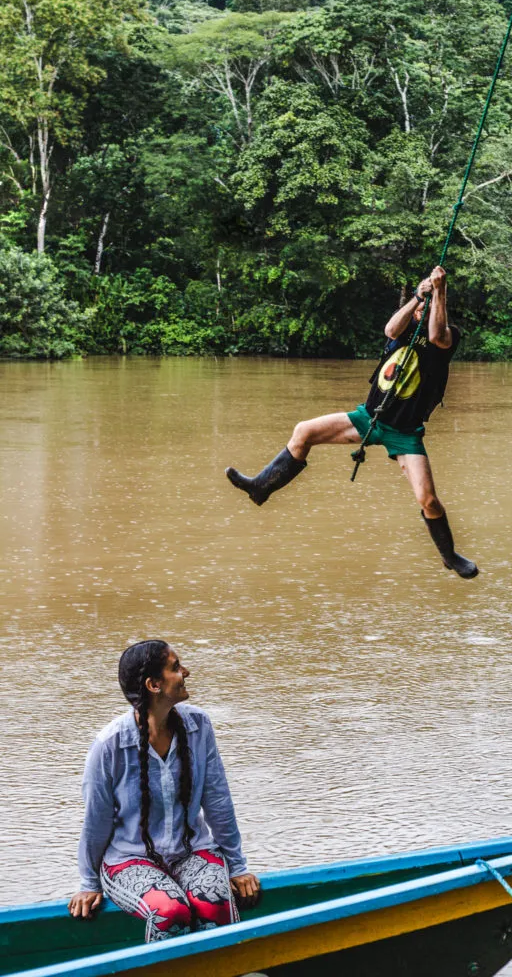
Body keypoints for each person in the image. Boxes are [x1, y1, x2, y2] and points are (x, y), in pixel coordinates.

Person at [225, 265, 478, 579]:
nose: (422, 311)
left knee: (428, 499)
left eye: (428, 309)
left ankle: (449, 555)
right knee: (303, 431)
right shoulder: (403, 333)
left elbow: (437, 334)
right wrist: (418, 295)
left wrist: (440, 291)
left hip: (405, 433)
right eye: (420, 308)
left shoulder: (446, 340)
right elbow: (389, 329)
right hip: (368, 419)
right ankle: (261, 487)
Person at [68, 640, 261, 942]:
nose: (186, 671)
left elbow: (217, 799)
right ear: (154, 685)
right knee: (170, 911)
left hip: (191, 850)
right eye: (175, 667)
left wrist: (237, 866)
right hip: (129, 858)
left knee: (216, 903)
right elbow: (96, 821)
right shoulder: (110, 745)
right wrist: (89, 883)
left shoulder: (198, 725)